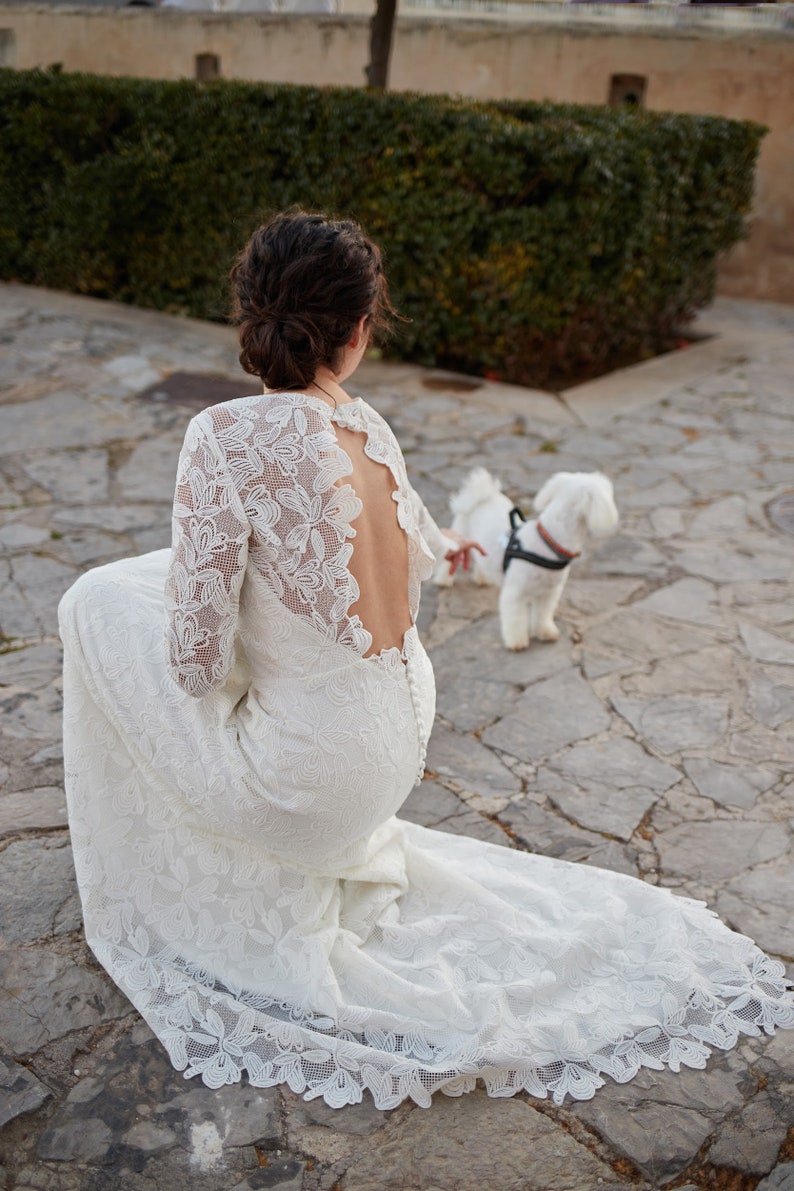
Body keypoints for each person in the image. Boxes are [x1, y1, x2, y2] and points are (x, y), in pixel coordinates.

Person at [59, 211, 793, 1109]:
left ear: (248, 315)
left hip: (313, 783)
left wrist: (220, 656)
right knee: (151, 583)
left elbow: (195, 667)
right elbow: (416, 556)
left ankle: (158, 866)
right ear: (360, 330)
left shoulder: (221, 437)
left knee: (93, 604)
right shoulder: (370, 427)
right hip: (396, 740)